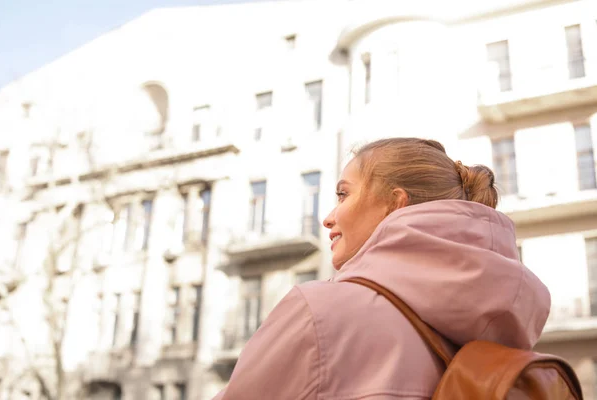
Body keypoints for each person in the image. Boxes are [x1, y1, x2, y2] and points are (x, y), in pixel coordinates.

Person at [212, 137, 550, 400]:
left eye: (343, 194)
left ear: (396, 203)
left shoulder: (320, 312)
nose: (328, 216)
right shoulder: (505, 331)